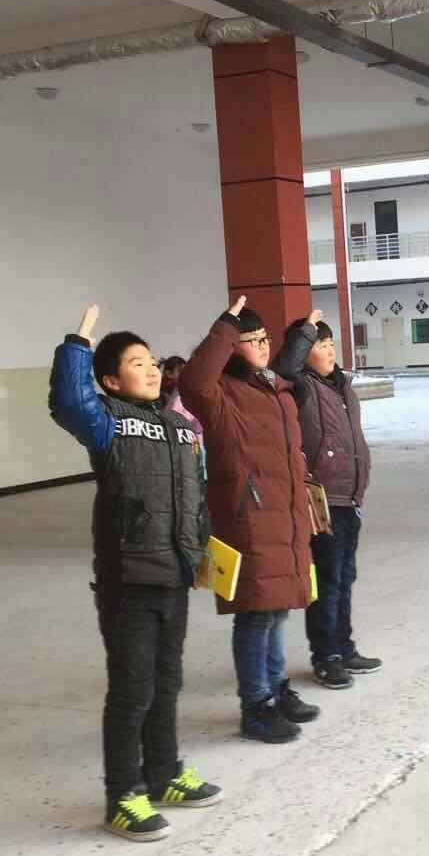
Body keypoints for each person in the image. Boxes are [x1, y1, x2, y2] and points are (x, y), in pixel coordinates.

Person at [48, 304, 221, 842]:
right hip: (129, 580)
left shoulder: (180, 428)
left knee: (167, 685)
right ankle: (123, 796)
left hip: (175, 575)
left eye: (151, 361)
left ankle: (164, 775)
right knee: (132, 691)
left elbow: (194, 500)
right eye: (135, 363)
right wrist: (77, 345)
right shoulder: (108, 424)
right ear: (110, 380)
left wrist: (202, 552)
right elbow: (69, 403)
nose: (149, 369)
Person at [178, 296, 322, 743]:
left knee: (277, 610)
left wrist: (304, 334)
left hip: (285, 515)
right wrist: (225, 326)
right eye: (249, 340)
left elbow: (287, 366)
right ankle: (255, 706)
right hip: (250, 517)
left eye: (264, 339)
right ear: (230, 347)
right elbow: (193, 381)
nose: (260, 346)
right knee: (256, 615)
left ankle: (276, 690)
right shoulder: (219, 394)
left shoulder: (275, 387)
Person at [275, 318, 380, 690]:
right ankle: (326, 657)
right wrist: (303, 333)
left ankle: (344, 648)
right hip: (323, 498)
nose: (330, 350)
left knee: (345, 577)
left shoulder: (342, 385)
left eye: (331, 342)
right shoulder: (300, 384)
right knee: (328, 580)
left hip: (350, 496)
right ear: (304, 352)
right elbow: (284, 367)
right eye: (320, 344)